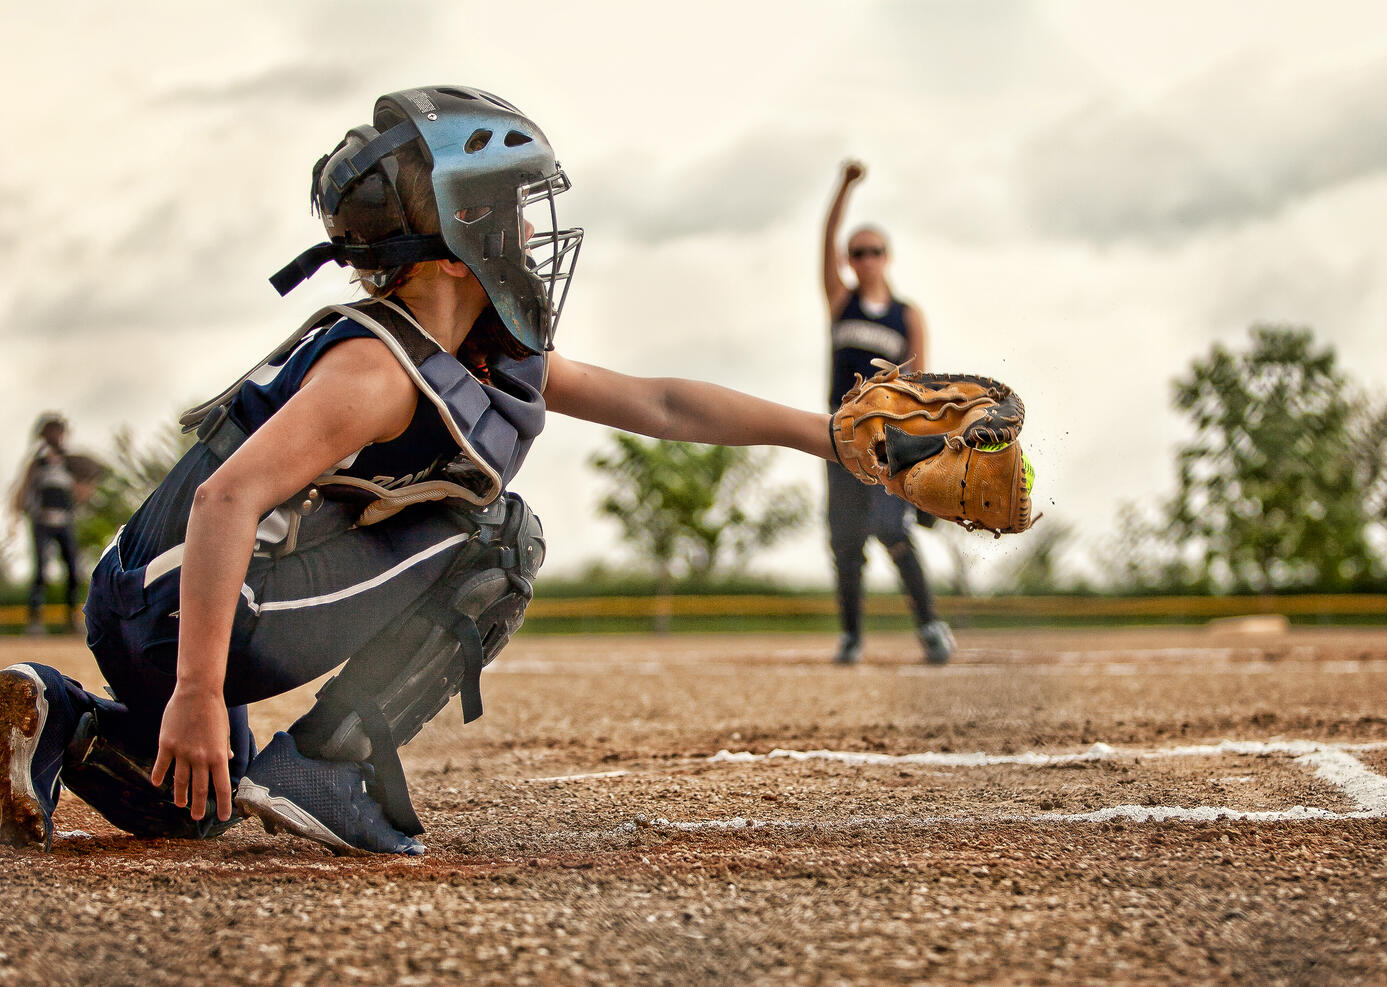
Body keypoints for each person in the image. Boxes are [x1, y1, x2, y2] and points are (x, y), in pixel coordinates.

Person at [0, 86, 839, 856]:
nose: (537, 234)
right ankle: (328, 762)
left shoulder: (468, 353)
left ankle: (56, 716)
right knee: (500, 540)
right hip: (187, 603)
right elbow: (226, 496)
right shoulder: (378, 370)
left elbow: (662, 405)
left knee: (198, 800)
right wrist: (196, 687)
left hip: (170, 595)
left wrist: (830, 437)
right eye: (519, 212)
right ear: (458, 240)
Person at [820, 160, 954, 666]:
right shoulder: (841, 303)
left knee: (892, 530)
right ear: (848, 260)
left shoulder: (907, 314)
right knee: (844, 539)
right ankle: (852, 636)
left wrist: (929, 449)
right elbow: (826, 237)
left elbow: (921, 384)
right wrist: (844, 187)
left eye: (874, 251)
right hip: (838, 435)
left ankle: (931, 626)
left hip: (889, 439)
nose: (866, 259)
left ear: (887, 257)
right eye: (857, 252)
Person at [9, 413, 86, 635]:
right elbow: (23, 489)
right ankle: (35, 620)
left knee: (73, 569)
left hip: (64, 521)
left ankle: (72, 620)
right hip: (41, 520)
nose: (57, 436)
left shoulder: (68, 462)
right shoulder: (37, 461)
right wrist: (15, 518)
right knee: (41, 570)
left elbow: (80, 489)